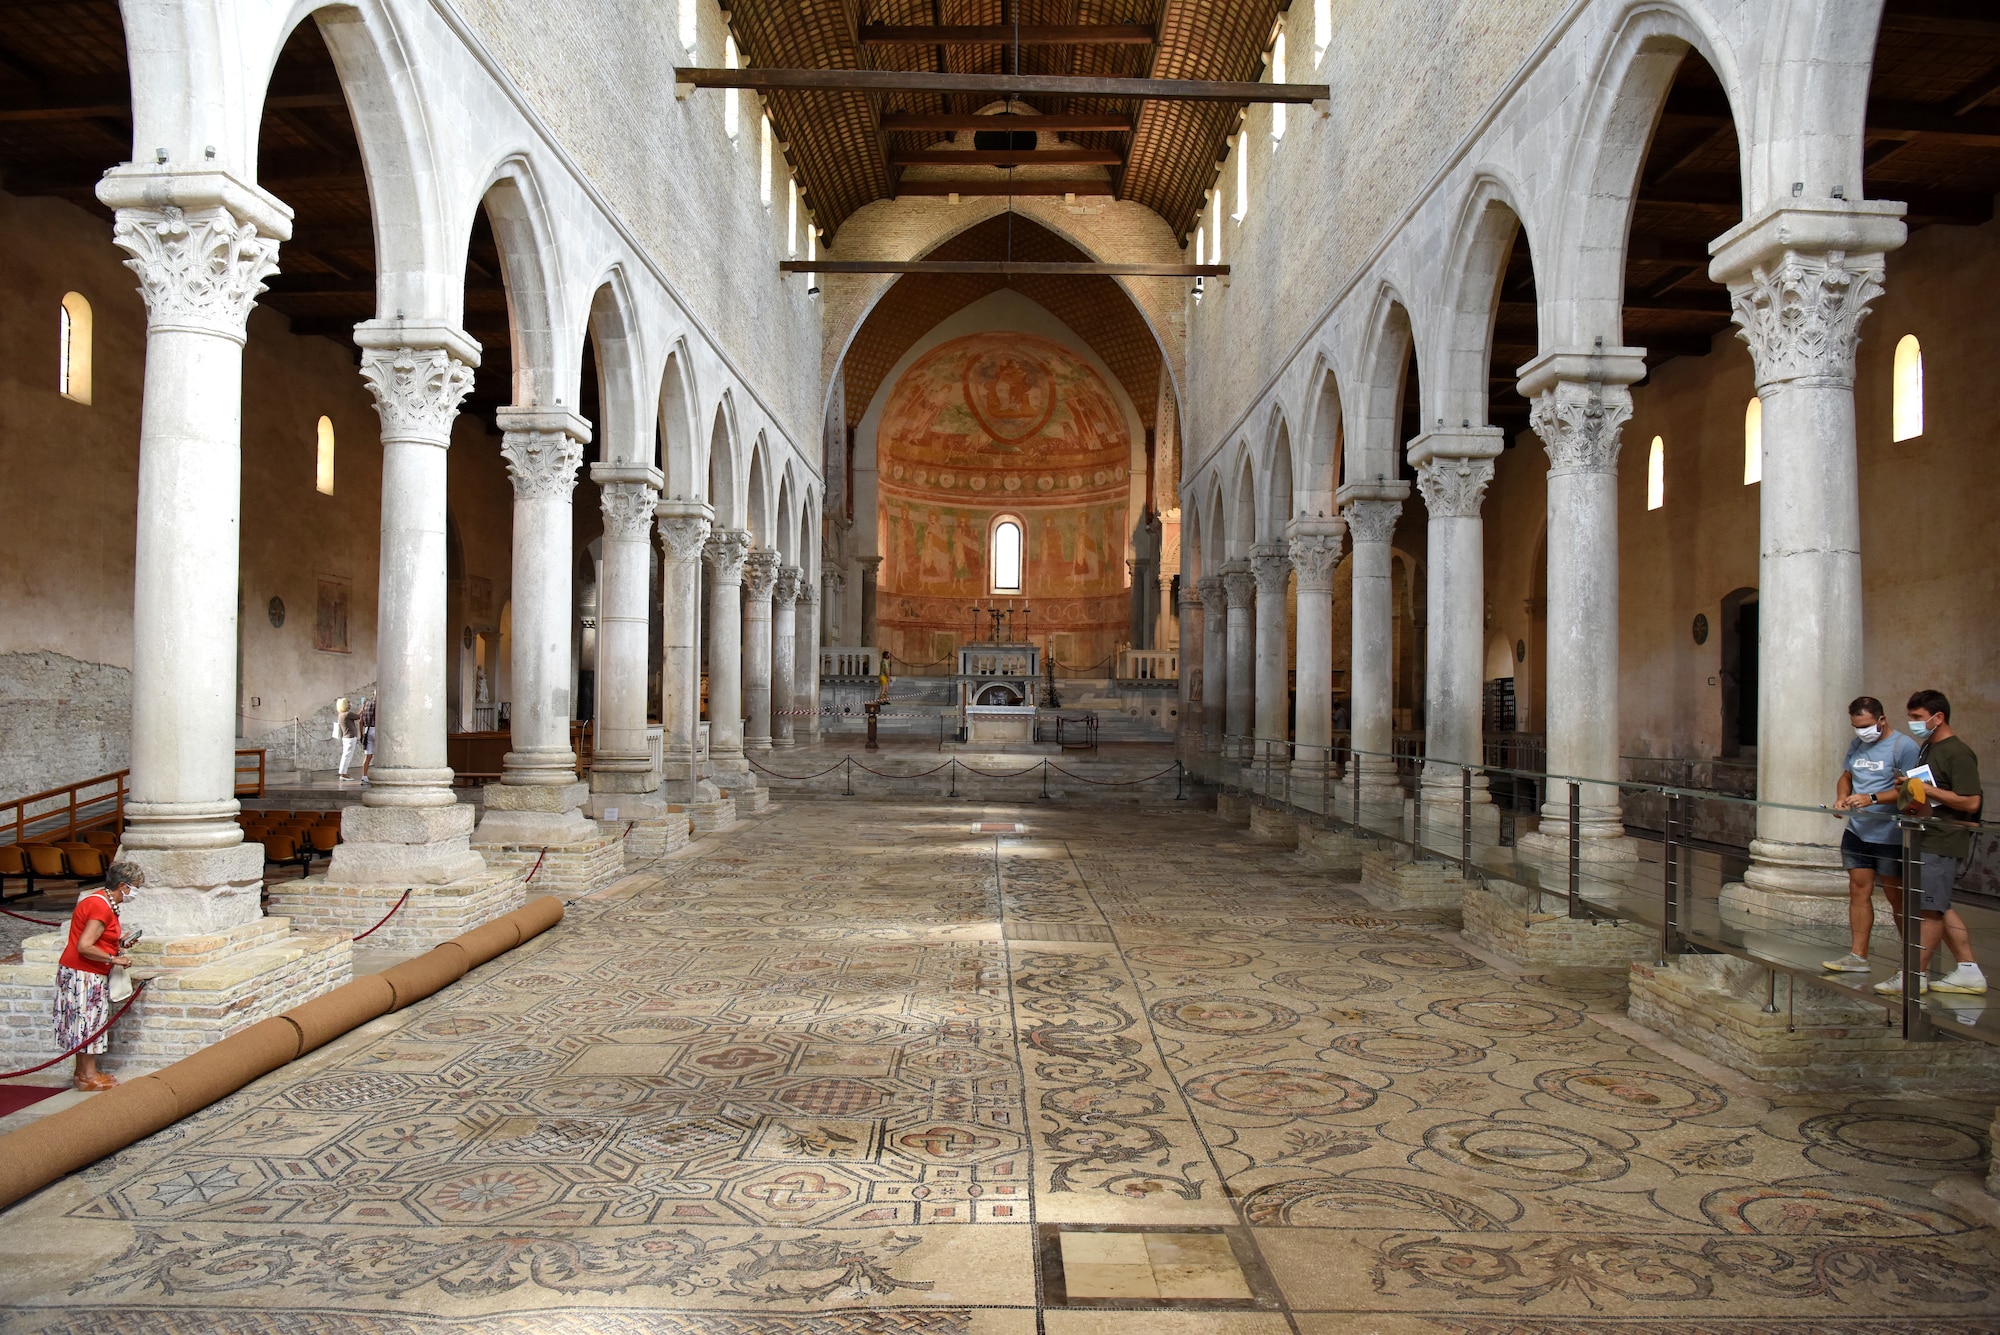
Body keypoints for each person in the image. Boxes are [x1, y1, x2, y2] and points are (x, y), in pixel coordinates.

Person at [1874, 689, 1985, 997]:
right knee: (1938, 905)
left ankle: (1913, 975)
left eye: (1918, 718)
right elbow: (1926, 788)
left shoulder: (1958, 753)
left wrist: (1926, 789)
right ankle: (1968, 969)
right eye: (1910, 717)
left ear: (1939, 717)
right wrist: (1908, 786)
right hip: (1923, 835)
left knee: (1929, 910)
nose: (1913, 723)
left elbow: (1970, 801)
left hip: (1943, 839)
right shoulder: (1927, 748)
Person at [1823, 696, 1919, 973]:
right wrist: (1842, 797)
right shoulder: (1858, 745)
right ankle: (1858, 955)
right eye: (1856, 726)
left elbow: (1913, 790)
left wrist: (1873, 798)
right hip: (1858, 831)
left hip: (1890, 834)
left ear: (1882, 720)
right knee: (1858, 890)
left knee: (1896, 896)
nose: (1861, 731)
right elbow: (1846, 776)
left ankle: (1912, 961)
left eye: (1866, 725)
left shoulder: (1904, 747)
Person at [56, 860, 140, 1091]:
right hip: (83, 973)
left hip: (80, 971)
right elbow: (85, 945)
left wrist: (120, 943)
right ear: (123, 885)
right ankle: (89, 1075)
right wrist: (115, 959)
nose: (135, 892)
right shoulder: (101, 906)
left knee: (82, 1023)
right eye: (135, 886)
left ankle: (82, 1073)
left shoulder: (99, 899)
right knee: (88, 1023)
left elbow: (98, 938)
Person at [335, 696, 361, 781]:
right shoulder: (347, 714)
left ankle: (343, 772)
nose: (350, 704)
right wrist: (363, 708)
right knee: (347, 756)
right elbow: (358, 716)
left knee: (345, 755)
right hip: (350, 737)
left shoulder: (341, 715)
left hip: (346, 737)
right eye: (348, 703)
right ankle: (343, 774)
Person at [359, 695, 377, 784]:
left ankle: (364, 776)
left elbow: (360, 721)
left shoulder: (366, 705)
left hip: (367, 729)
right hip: (377, 729)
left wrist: (361, 734)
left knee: (368, 755)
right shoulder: (379, 705)